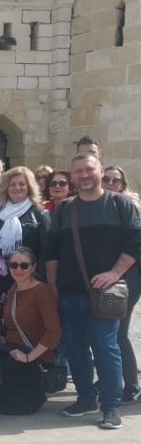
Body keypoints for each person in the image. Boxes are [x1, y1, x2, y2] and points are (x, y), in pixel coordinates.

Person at [46, 153, 141, 429]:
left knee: (105, 346)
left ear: (100, 170)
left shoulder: (119, 203)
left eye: (89, 170)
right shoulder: (64, 209)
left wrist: (114, 273)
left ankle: (111, 407)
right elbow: (52, 250)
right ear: (72, 176)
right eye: (78, 172)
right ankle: (86, 398)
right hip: (70, 291)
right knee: (75, 348)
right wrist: (52, 286)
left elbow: (136, 242)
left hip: (107, 293)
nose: (84, 175)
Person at [0, 247, 61, 415]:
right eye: (14, 265)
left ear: (33, 267)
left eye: (24, 265)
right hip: (12, 350)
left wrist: (28, 357)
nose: (18, 269)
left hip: (34, 356)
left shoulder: (42, 291)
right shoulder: (13, 290)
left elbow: (53, 332)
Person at [103, 165, 141, 402]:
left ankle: (131, 383)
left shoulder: (130, 207)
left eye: (115, 180)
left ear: (122, 184)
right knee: (104, 331)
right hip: (105, 276)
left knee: (119, 331)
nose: (109, 183)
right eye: (105, 178)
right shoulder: (97, 205)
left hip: (129, 276)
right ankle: (110, 377)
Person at [0, 166, 50, 305]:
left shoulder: (40, 214)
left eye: (21, 184)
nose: (17, 188)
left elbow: (46, 251)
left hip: (27, 276)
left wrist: (40, 279)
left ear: (29, 187)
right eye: (12, 184)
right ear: (6, 188)